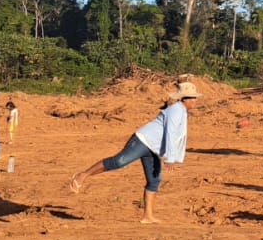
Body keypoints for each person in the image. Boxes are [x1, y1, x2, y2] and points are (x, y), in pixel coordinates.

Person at [70, 80, 200, 223]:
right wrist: (170, 157)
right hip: (143, 141)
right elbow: (170, 132)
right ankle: (82, 175)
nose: (195, 100)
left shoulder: (181, 111)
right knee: (119, 161)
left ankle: (148, 216)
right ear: (184, 99)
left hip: (154, 148)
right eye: (192, 97)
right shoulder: (177, 110)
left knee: (154, 180)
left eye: (195, 97)